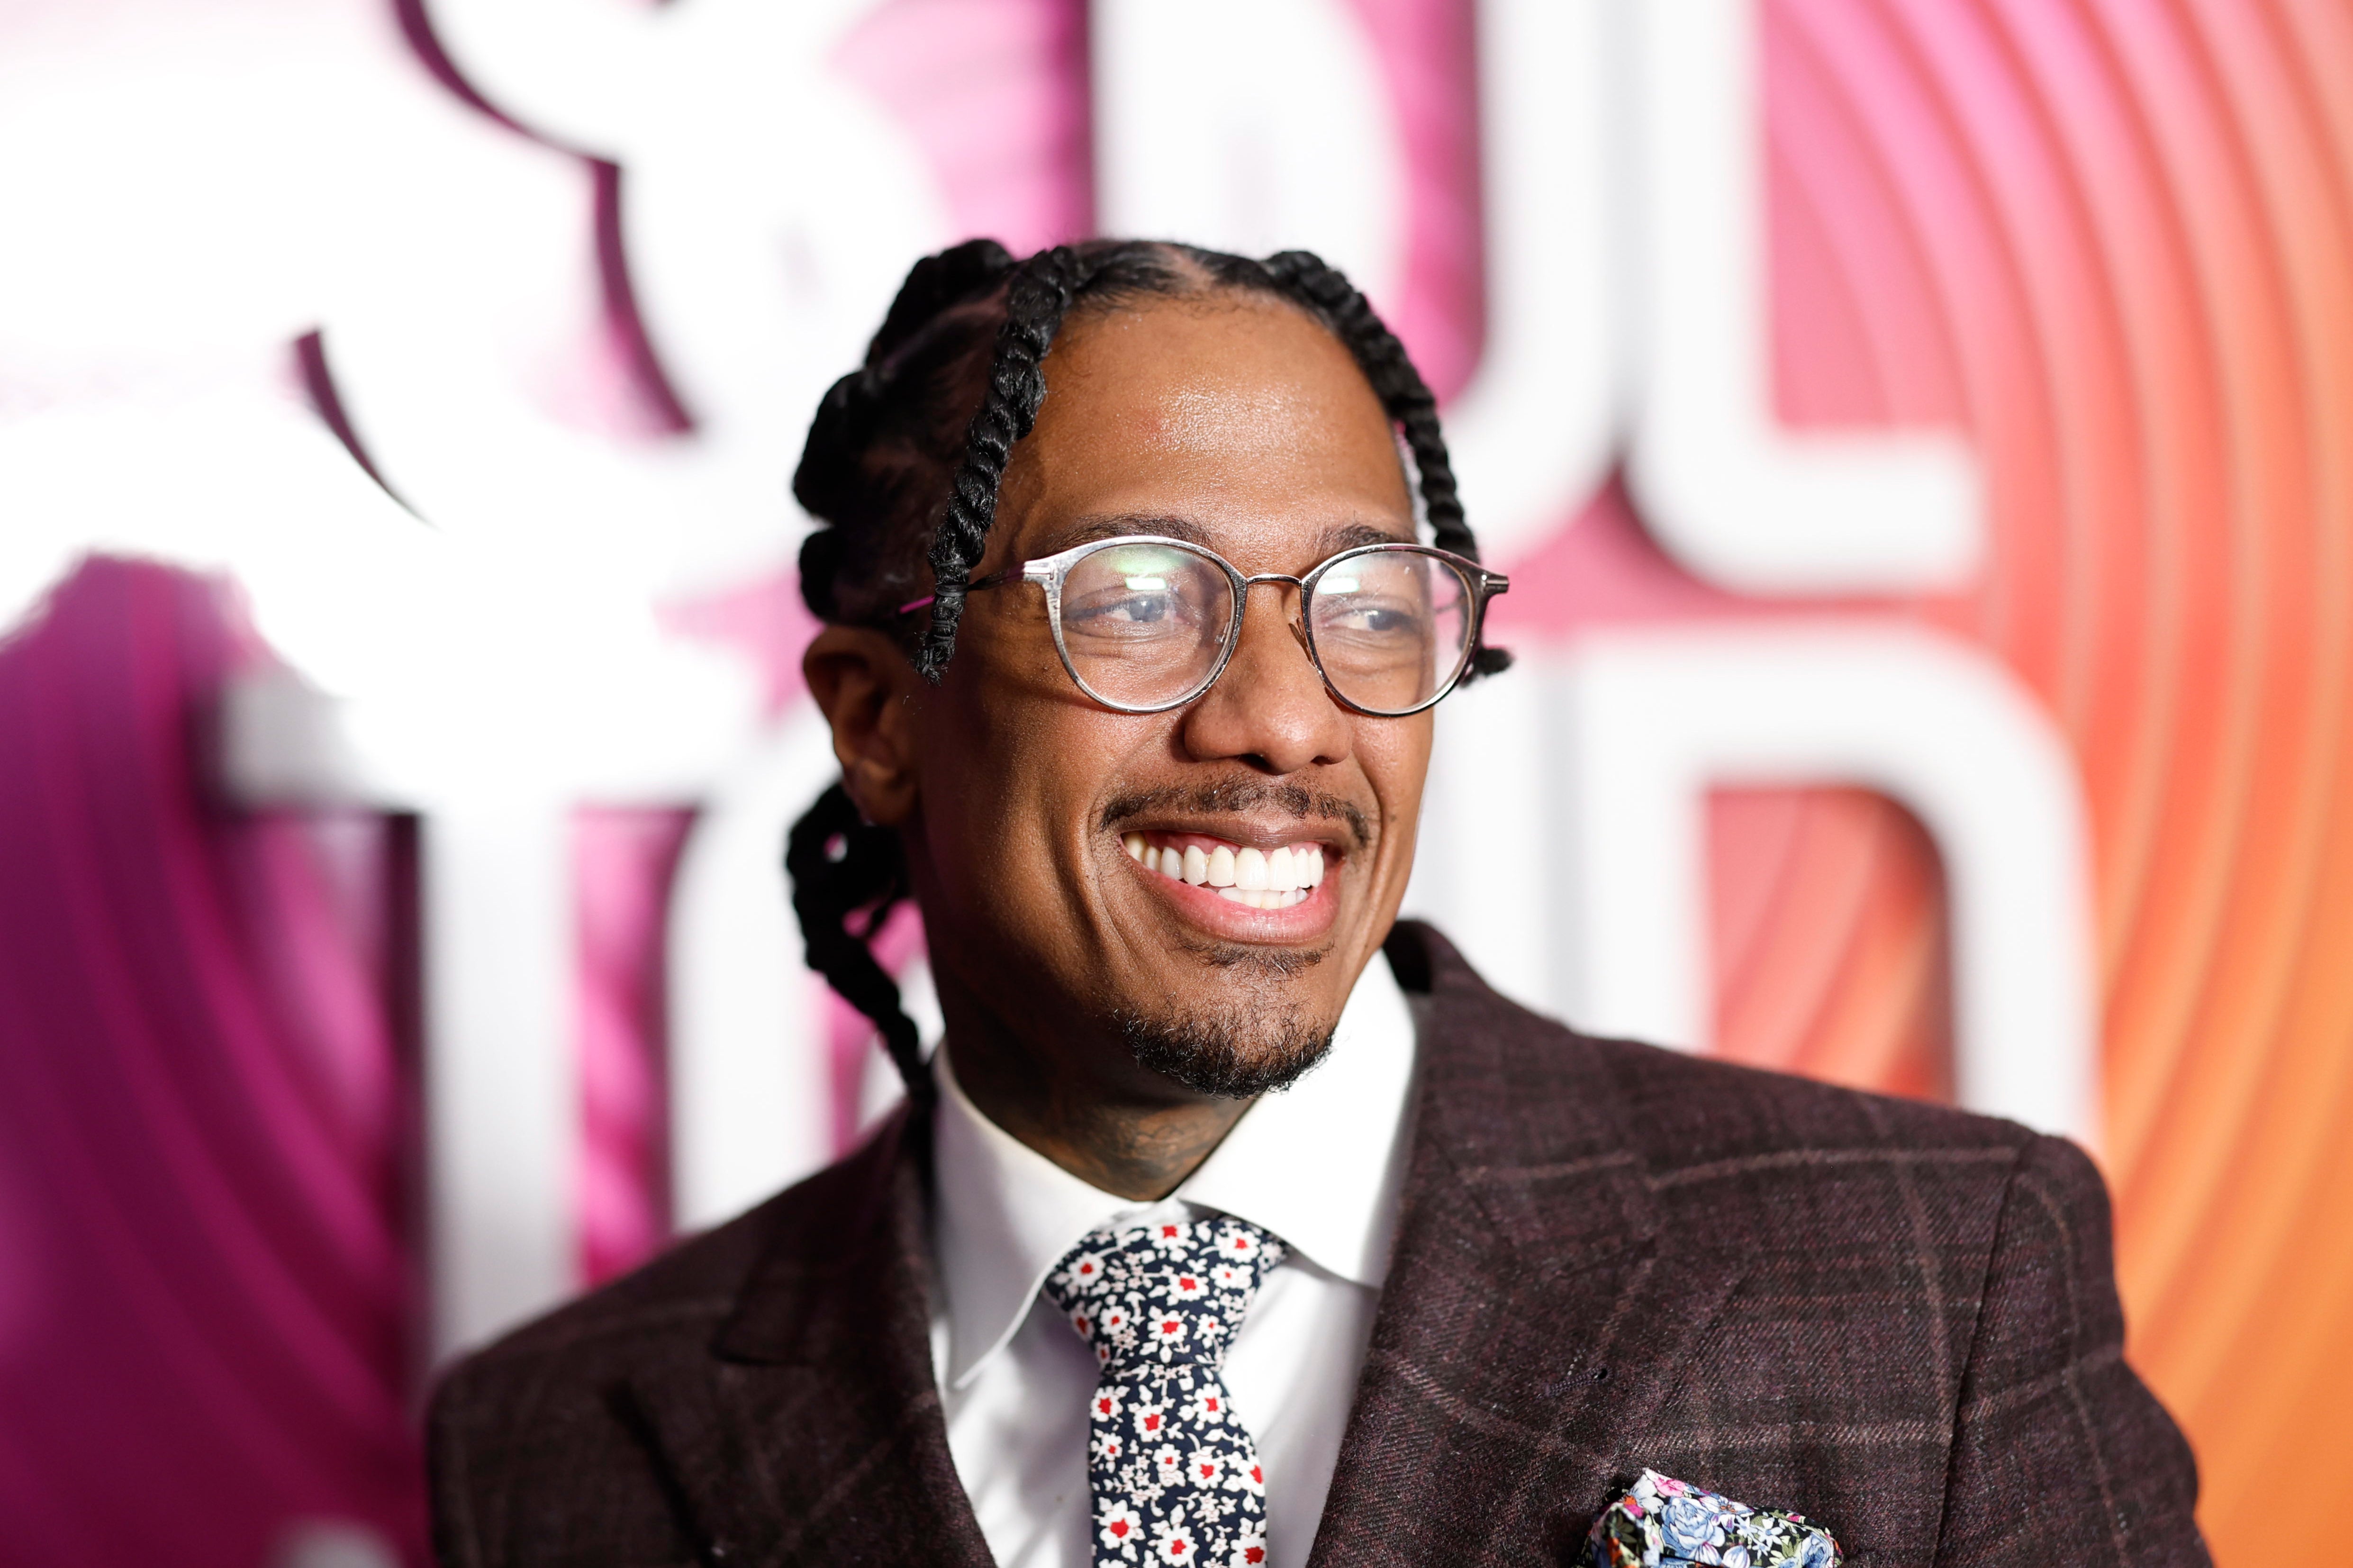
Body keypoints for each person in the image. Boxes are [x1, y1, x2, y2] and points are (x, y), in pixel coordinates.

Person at [426, 239, 2210, 1568]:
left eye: (1366, 607)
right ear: (881, 722)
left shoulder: (1935, 1285)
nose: (1285, 722)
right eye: (1139, 600)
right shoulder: (558, 1455)